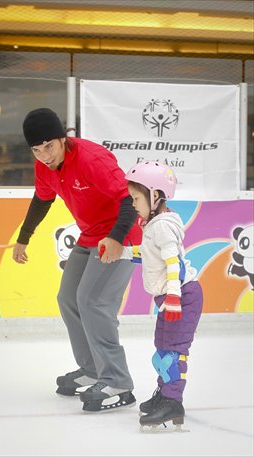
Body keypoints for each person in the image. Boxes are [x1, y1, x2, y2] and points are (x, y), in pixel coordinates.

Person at [13, 108, 142, 412]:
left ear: (63, 139)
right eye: (36, 149)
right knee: (69, 299)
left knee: (93, 301)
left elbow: (130, 200)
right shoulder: (44, 166)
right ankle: (93, 370)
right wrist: (24, 236)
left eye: (49, 146)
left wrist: (115, 238)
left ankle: (118, 381)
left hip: (121, 236)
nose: (44, 155)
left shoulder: (91, 159)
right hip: (89, 237)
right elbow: (42, 199)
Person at [125, 160, 203, 429]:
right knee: (161, 350)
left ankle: (172, 401)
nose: (133, 203)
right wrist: (121, 254)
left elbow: (174, 264)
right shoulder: (154, 223)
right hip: (173, 297)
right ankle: (165, 395)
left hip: (182, 296)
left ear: (155, 195)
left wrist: (173, 297)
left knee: (172, 354)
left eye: (136, 197)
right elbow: (149, 256)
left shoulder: (161, 226)